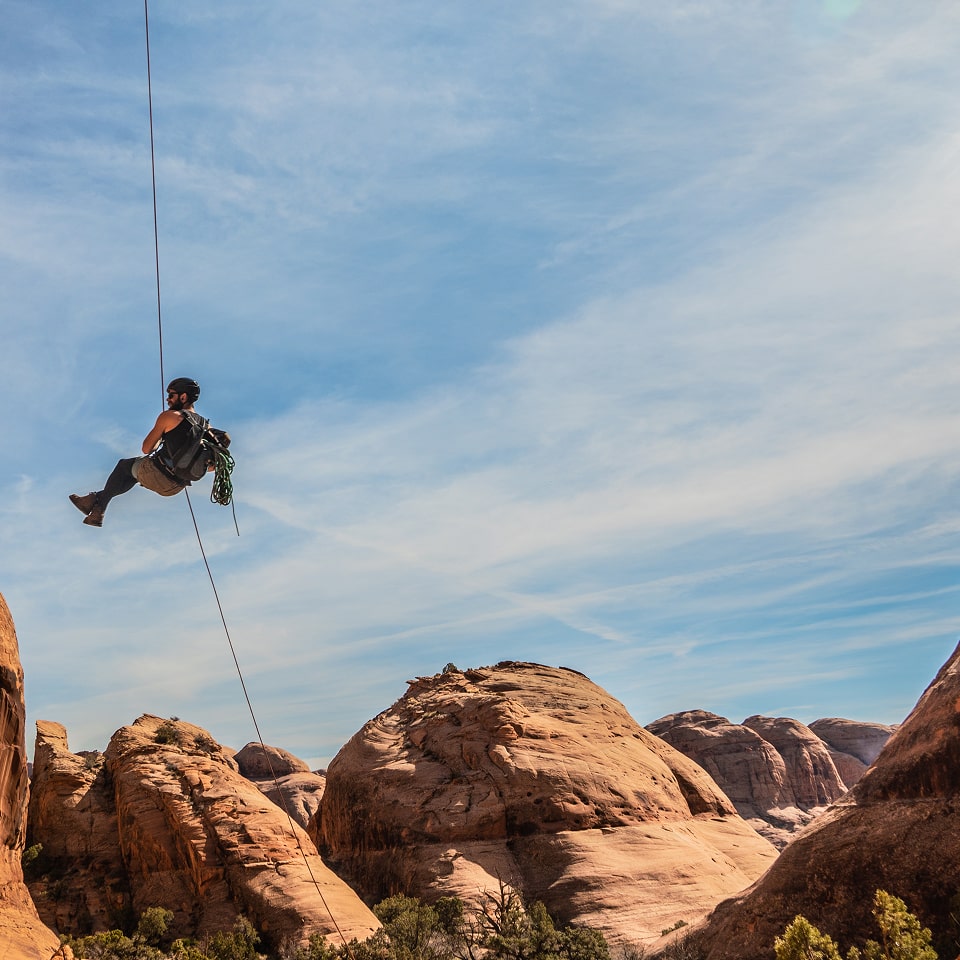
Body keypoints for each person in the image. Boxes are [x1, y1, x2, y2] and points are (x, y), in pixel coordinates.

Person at [70, 377, 207, 528]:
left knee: (124, 467)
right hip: (177, 487)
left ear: (183, 397)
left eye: (171, 395)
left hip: (158, 474)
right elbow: (210, 465)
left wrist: (161, 437)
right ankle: (93, 503)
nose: (167, 399)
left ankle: (98, 507)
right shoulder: (206, 427)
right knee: (133, 472)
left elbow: (147, 449)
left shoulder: (170, 416)